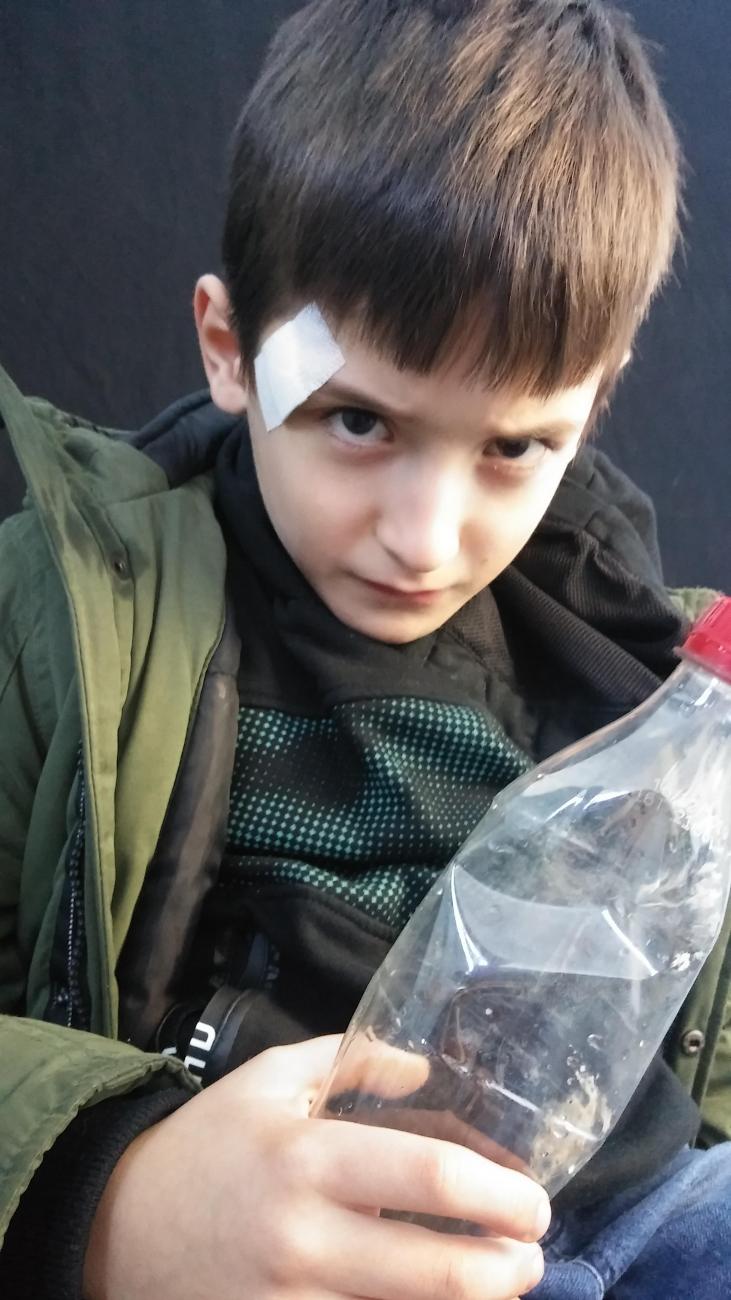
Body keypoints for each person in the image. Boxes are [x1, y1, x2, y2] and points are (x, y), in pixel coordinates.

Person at [0, 1, 728, 1297]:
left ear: (599, 393)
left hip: (635, 1208)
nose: (425, 539)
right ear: (231, 348)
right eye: (358, 422)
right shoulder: (65, 627)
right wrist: (112, 1196)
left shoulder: (655, 678)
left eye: (514, 447)